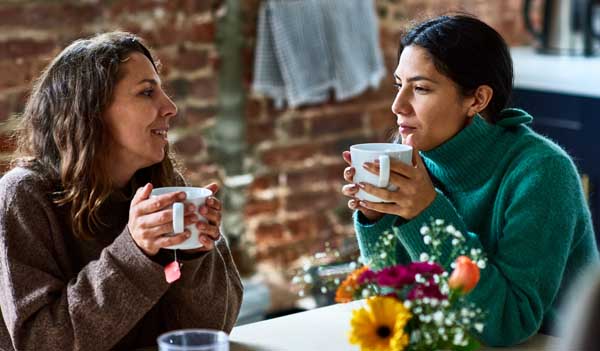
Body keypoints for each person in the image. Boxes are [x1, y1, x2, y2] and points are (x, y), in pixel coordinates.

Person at [341, 14, 599, 347]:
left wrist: (425, 210)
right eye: (398, 84)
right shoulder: (409, 159)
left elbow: (508, 322)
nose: (397, 105)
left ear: (477, 99)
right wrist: (375, 219)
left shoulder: (543, 172)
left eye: (420, 88)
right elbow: (392, 305)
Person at [0, 32, 242, 351]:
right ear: (91, 112)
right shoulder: (23, 196)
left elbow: (209, 332)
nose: (170, 107)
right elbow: (40, 342)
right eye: (146, 93)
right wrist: (135, 253)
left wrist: (193, 254)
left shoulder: (165, 189)